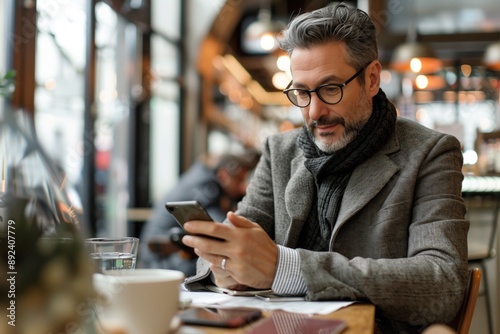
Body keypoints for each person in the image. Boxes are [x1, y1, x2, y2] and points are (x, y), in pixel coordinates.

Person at [181, 3, 469, 333]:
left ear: (371, 79)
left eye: (330, 88)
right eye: (301, 92)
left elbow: (443, 282)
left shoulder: (429, 153)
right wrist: (225, 265)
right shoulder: (280, 151)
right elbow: (233, 241)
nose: (315, 111)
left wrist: (286, 268)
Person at [138, 150, 260, 276]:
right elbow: (221, 227)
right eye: (240, 180)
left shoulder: (201, 178)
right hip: (161, 257)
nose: (243, 187)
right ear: (223, 176)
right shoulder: (207, 188)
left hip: (163, 252)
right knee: (214, 265)